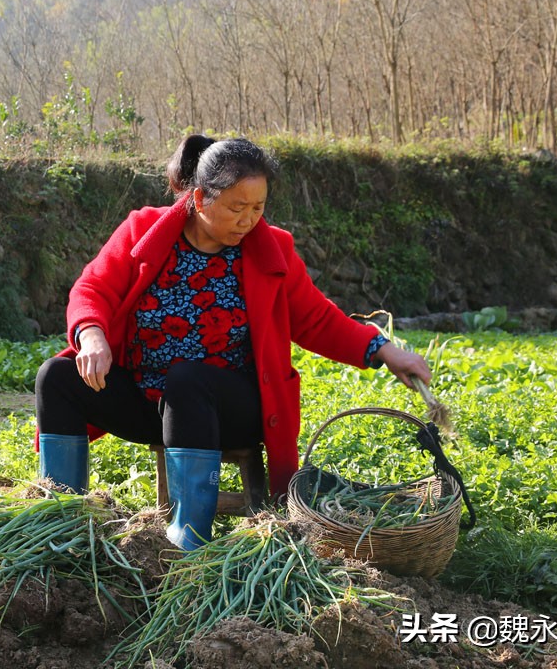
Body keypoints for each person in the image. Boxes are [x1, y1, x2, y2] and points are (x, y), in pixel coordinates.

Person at [35, 135, 432, 550]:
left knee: (188, 380)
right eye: (237, 208)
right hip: (153, 403)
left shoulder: (271, 249)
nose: (248, 220)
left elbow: (316, 318)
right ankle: (63, 520)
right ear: (201, 198)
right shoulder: (144, 230)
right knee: (58, 376)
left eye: (258, 208)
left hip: (231, 409)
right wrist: (92, 335)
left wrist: (384, 350)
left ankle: (188, 540)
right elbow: (93, 287)